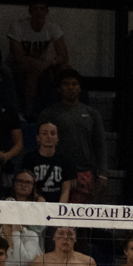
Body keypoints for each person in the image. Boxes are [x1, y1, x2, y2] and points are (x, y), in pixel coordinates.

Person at [38, 69, 107, 202]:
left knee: (78, 218)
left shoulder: (92, 114)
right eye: (66, 84)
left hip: (83, 173)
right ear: (59, 88)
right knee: (53, 216)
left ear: (80, 88)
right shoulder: (48, 114)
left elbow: (100, 145)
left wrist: (103, 175)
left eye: (74, 84)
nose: (70, 87)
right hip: (55, 172)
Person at [7, 2, 69, 116]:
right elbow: (18, 57)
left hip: (42, 64)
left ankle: (66, 108)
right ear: (30, 12)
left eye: (42, 9)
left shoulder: (52, 27)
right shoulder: (18, 27)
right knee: (34, 70)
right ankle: (28, 112)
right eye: (35, 9)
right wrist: (40, 63)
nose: (39, 12)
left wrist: (49, 63)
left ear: (46, 11)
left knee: (66, 68)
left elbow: (64, 56)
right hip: (19, 65)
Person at [21, 120, 74, 203]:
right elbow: (26, 185)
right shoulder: (29, 158)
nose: (49, 137)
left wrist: (59, 208)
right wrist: (38, 198)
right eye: (44, 134)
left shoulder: (65, 160)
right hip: (35, 203)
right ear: (38, 138)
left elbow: (66, 190)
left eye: (52, 133)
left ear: (57, 138)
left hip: (57, 203)